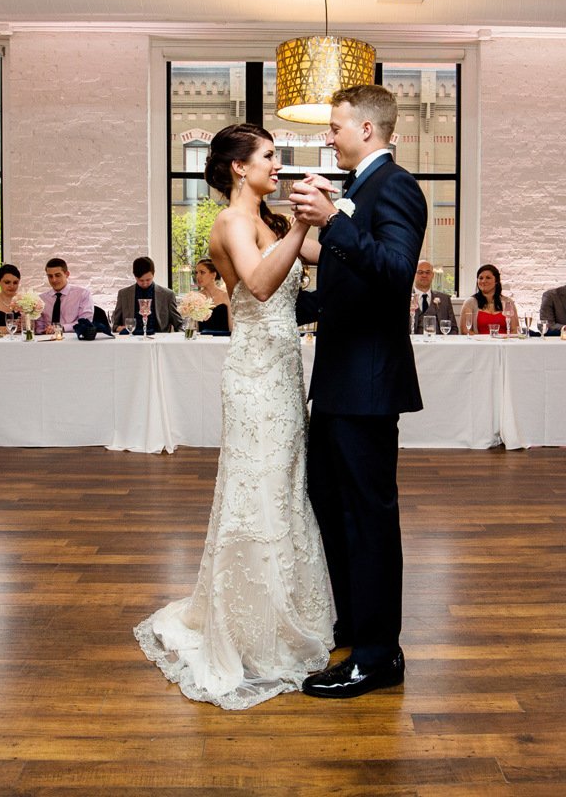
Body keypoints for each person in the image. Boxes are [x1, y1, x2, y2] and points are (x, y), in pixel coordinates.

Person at [135, 123, 333, 709]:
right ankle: (247, 625)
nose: (280, 165)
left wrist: (339, 219)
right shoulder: (231, 222)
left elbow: (325, 256)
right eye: (270, 157)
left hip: (285, 370)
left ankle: (285, 608)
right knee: (257, 490)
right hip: (252, 372)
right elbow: (261, 284)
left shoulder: (271, 221)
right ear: (239, 169)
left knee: (286, 490)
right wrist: (301, 222)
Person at [290, 83, 427, 700]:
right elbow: (350, 286)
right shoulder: (360, 190)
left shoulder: (394, 186)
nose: (329, 136)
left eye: (337, 127)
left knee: (368, 519)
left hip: (368, 384)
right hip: (341, 382)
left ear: (367, 130)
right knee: (332, 505)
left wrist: (334, 225)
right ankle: (353, 625)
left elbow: (397, 273)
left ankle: (378, 654)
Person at [111, 256, 182, 335]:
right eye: (141, 280)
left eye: (148, 280)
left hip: (159, 341)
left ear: (153, 274)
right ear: (135, 276)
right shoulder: (123, 294)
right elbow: (114, 326)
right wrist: (123, 328)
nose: (145, 283)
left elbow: (179, 325)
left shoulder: (167, 295)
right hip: (130, 341)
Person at [38, 258, 95, 332]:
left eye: (57, 275)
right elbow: (38, 327)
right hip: (46, 340)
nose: (53, 280)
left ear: (67, 274)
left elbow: (85, 322)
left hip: (73, 340)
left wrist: (61, 328)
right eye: (50, 276)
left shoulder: (82, 294)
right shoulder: (41, 299)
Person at [457, 264, 517, 335]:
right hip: (480, 344)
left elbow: (515, 330)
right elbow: (465, 330)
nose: (483, 281)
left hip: (504, 344)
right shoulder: (470, 302)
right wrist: (483, 341)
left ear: (496, 281)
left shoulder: (508, 302)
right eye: (481, 278)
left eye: (488, 278)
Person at [410, 259, 456, 334]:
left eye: (428, 272)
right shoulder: (402, 298)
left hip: (439, 344)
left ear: (433, 275)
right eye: (420, 272)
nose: (424, 275)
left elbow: (453, 329)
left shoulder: (445, 299)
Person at [194, 258, 232, 333]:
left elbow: (232, 326)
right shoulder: (195, 297)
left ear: (213, 275)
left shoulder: (226, 296)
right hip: (202, 341)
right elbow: (195, 328)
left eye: (202, 272)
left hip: (224, 341)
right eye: (196, 273)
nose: (198, 276)